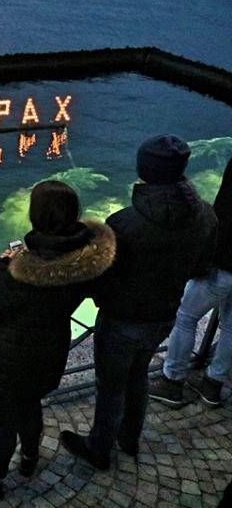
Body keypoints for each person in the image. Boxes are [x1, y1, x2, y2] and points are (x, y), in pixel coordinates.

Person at [61, 135, 217, 470]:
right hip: (165, 315)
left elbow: (97, 278)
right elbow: (202, 266)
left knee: (111, 386)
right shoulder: (206, 215)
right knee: (138, 376)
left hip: (122, 318)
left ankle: (99, 447)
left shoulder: (124, 224)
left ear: (143, 169)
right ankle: (129, 437)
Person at [0, 180, 116, 501]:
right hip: (51, 347)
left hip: (11, 353)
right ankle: (30, 457)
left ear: (37, 215)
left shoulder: (23, 268)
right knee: (30, 403)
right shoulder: (84, 259)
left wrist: (7, 264)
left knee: (5, 417)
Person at [150, 157, 232, 407]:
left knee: (185, 316)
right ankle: (213, 384)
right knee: (231, 326)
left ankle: (172, 381)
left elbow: (225, 214)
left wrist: (206, 257)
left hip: (224, 261)